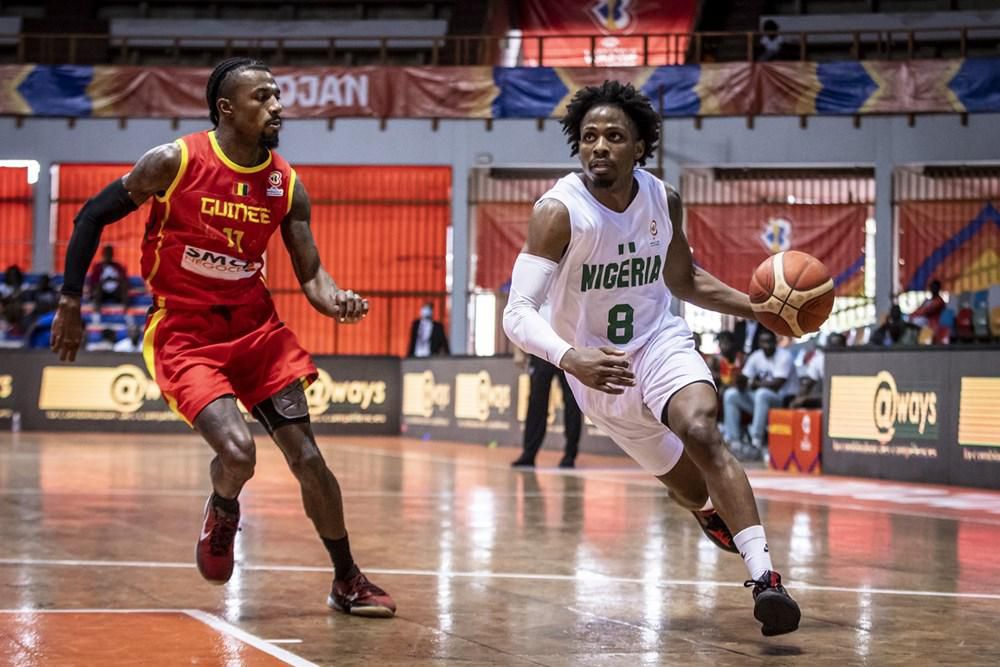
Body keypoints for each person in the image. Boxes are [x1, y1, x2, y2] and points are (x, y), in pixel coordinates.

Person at [50, 57, 395, 618]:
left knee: (308, 458)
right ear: (226, 108)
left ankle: (347, 578)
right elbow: (89, 216)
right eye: (263, 97)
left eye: (277, 95)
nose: (277, 106)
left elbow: (312, 278)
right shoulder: (175, 161)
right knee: (238, 452)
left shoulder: (285, 184)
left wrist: (340, 301)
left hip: (257, 331)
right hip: (185, 333)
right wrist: (70, 299)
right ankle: (223, 508)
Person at [502, 81, 800, 636]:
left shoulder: (664, 200)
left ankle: (765, 579)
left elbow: (683, 280)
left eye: (614, 136)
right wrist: (572, 359)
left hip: (660, 342)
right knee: (688, 488)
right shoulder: (558, 212)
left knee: (702, 429)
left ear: (640, 146)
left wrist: (759, 307)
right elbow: (517, 313)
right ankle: (706, 510)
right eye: (589, 136)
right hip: (600, 374)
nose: (599, 146)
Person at [722, 329, 799, 459]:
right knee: (731, 394)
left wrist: (753, 383)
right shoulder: (756, 356)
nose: (766, 345)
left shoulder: (784, 356)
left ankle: (756, 441)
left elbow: (777, 384)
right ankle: (734, 441)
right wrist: (740, 380)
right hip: (760, 403)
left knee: (762, 393)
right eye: (763, 342)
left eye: (769, 342)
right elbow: (745, 379)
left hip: (782, 399)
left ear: (775, 342)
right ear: (759, 343)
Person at [510, 344, 582, 469]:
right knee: (536, 402)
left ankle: (570, 455)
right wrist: (518, 349)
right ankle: (529, 454)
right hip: (542, 348)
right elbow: (522, 323)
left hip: (567, 347)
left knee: (572, 402)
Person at [789, 332, 846, 409]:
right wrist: (798, 399)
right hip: (826, 396)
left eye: (838, 348)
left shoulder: (851, 360)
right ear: (828, 347)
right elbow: (808, 384)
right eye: (833, 347)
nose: (835, 351)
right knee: (804, 401)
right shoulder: (820, 360)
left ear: (844, 348)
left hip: (846, 395)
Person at [87, 245, 129, 309]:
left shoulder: (118, 267)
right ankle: (96, 312)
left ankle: (125, 310)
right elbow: (93, 281)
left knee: (124, 286)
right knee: (97, 289)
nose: (108, 255)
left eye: (110, 253)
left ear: (112, 254)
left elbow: (124, 279)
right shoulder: (98, 267)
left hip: (116, 291)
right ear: (103, 254)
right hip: (102, 292)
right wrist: (104, 281)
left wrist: (115, 279)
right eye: (106, 253)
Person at [910, 279, 947, 343]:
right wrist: (912, 315)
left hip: (932, 322)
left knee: (915, 321)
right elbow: (919, 309)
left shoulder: (939, 301)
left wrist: (915, 315)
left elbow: (927, 311)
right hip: (923, 321)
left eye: (935, 287)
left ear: (938, 288)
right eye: (932, 287)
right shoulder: (927, 300)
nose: (933, 289)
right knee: (911, 321)